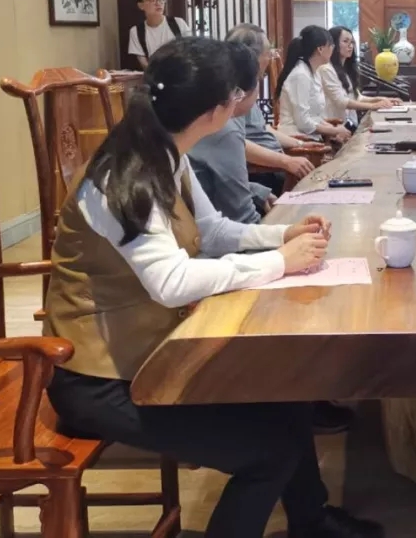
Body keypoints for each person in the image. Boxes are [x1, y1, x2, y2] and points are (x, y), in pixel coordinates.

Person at [42, 37, 382, 538]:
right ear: (216, 110)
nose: (240, 100)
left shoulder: (165, 152)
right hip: (99, 380)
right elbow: (171, 282)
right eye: (236, 94)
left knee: (286, 391)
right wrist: (277, 263)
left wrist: (282, 236)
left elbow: (214, 230)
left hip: (151, 351)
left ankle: (311, 522)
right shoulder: (124, 179)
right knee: (268, 453)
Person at [188, 42, 277, 225]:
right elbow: (242, 218)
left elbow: (201, 185)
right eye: (259, 79)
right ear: (239, 92)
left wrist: (257, 191)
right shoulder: (223, 128)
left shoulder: (200, 120)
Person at [225, 24, 315, 197]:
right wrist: (286, 161)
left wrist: (300, 144)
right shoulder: (234, 91)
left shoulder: (246, 85)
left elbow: (262, 128)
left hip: (276, 164)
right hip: (263, 172)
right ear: (253, 55)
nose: (271, 57)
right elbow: (236, 143)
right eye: (268, 52)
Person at [276, 25, 352, 143]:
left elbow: (315, 117)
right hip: (297, 138)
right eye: (330, 45)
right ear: (320, 49)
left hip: (311, 136)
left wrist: (335, 130)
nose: (333, 49)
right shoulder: (301, 75)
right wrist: (334, 131)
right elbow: (303, 122)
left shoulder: (313, 71)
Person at [318, 26, 401, 126]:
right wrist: (373, 106)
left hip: (348, 124)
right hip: (334, 126)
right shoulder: (326, 69)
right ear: (333, 44)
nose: (350, 46)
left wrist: (381, 99)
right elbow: (341, 102)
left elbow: (357, 98)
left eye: (352, 42)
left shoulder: (346, 69)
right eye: (345, 41)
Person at [126, 0, 191, 69]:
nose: (158, 3)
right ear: (141, 5)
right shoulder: (136, 31)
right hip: (154, 74)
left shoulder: (178, 23)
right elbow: (143, 62)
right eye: (152, 0)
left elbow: (190, 51)